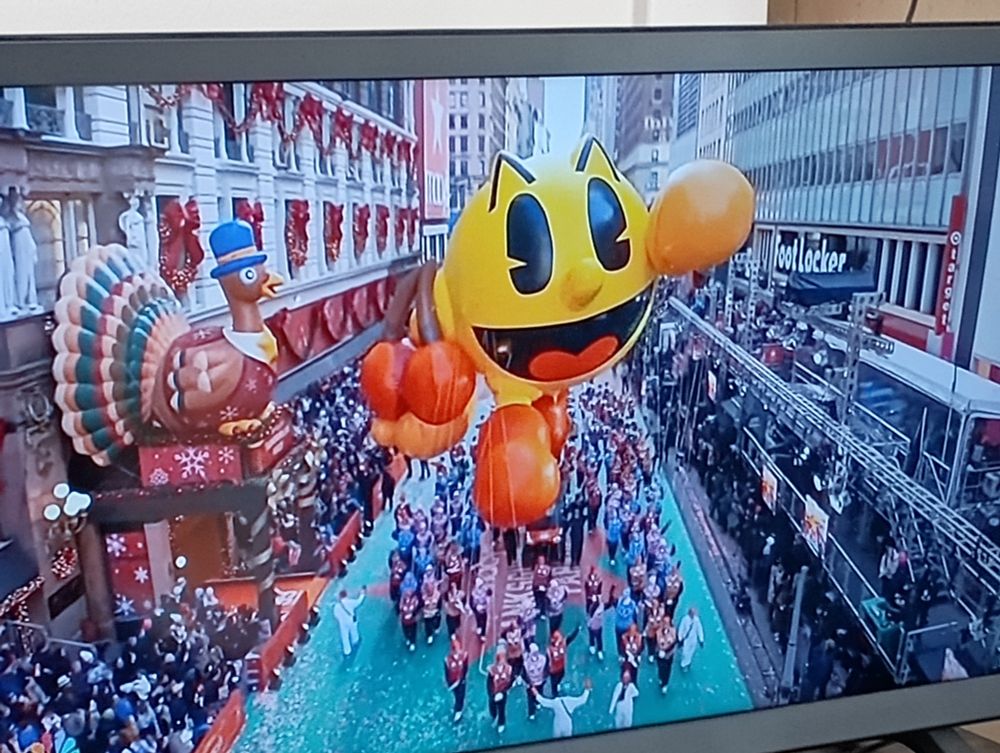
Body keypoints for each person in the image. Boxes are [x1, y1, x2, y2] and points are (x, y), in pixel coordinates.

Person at [332, 586, 367, 658]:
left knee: (345, 636)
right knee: (354, 632)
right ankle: (355, 642)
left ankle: (347, 651)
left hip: (342, 623)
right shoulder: (350, 602)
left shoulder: (337, 606)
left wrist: (340, 620)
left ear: (340, 596)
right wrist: (362, 594)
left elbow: (335, 615)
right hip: (351, 620)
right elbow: (358, 602)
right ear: (346, 595)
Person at [487, 648, 514, 734]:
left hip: (503, 693)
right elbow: (489, 683)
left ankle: (501, 723)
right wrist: (492, 695)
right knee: (492, 706)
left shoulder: (508, 669)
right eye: (500, 658)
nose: (502, 660)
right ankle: (494, 716)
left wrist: (505, 690)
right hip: (493, 693)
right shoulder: (492, 670)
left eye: (504, 658)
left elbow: (511, 680)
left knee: (502, 708)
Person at [547, 626, 580, 696]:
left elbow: (569, 639)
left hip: (561, 667)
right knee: (554, 684)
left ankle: (557, 686)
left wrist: (576, 631)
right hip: (553, 670)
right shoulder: (549, 649)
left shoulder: (563, 644)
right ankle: (555, 695)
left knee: (561, 677)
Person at [444, 636, 469, 723]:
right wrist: (449, 683)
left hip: (461, 681)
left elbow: (465, 668)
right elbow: (447, 673)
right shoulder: (448, 660)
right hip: (453, 682)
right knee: (456, 694)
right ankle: (457, 706)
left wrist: (463, 678)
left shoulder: (464, 656)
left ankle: (458, 710)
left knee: (460, 696)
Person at [523, 643, 547, 721]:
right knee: (530, 699)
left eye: (536, 652)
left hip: (540, 682)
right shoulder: (526, 663)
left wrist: (544, 678)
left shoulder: (543, 659)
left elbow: (546, 669)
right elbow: (524, 675)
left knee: (540, 693)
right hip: (531, 684)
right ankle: (531, 713)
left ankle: (538, 702)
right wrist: (529, 684)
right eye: (533, 652)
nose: (535, 654)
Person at [655, 615, 678, 694]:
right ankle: (661, 678)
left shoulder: (673, 631)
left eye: (667, 623)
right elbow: (658, 643)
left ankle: (665, 684)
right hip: (661, 654)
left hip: (669, 654)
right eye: (664, 622)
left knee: (667, 670)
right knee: (661, 668)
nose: (665, 624)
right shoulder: (658, 631)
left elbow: (674, 644)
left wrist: (669, 653)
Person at [678, 606, 705, 671]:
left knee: (691, 651)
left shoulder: (697, 620)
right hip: (686, 639)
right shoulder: (685, 619)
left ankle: (687, 662)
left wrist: (701, 639)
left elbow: (699, 629)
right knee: (685, 652)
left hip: (693, 639)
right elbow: (681, 628)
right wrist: (680, 638)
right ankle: (683, 663)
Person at [421, 570, 442, 644]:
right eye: (428, 590)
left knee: (437, 620)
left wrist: (437, 609)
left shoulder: (437, 594)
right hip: (427, 613)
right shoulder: (423, 596)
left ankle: (437, 627)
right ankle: (429, 635)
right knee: (428, 625)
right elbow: (421, 605)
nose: (429, 591)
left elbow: (440, 604)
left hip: (435, 611)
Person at [399, 586, 420, 652]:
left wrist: (414, 615)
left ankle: (413, 642)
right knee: (405, 630)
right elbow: (400, 607)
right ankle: (407, 638)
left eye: (409, 591)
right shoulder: (403, 599)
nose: (408, 593)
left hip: (412, 620)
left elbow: (416, 608)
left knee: (413, 631)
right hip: (404, 620)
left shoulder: (415, 599)